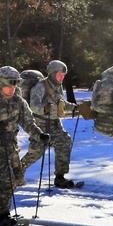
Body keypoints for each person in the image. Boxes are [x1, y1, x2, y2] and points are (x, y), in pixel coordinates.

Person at [0, 66, 49, 226]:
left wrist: (40, 135)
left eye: (15, 84)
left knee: (18, 178)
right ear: (0, 84)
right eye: (9, 84)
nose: (12, 88)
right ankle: (3, 215)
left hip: (12, 145)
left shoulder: (19, 102)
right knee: (7, 181)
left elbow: (28, 123)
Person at [20, 60, 77, 188]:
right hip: (41, 125)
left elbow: (61, 104)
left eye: (63, 75)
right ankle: (16, 172)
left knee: (65, 142)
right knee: (37, 152)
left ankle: (60, 177)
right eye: (59, 75)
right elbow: (33, 106)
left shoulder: (58, 87)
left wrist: (74, 108)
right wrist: (45, 108)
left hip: (55, 123)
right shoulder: (39, 87)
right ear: (52, 74)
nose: (62, 77)